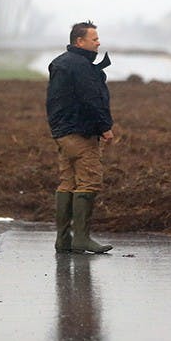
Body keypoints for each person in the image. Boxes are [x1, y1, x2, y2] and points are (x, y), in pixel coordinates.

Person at [46, 21, 115, 254]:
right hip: (81, 133)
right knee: (89, 182)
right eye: (94, 39)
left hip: (62, 133)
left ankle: (63, 240)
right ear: (80, 41)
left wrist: (57, 129)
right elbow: (92, 100)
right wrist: (105, 127)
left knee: (67, 182)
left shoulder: (59, 63)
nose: (98, 42)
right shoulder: (82, 67)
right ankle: (81, 239)